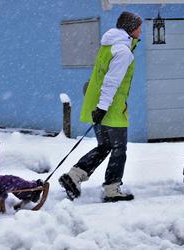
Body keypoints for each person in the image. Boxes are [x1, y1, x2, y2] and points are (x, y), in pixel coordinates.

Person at [59, 11, 142, 202]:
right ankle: (112, 188)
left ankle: (74, 176)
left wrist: (99, 106)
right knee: (119, 149)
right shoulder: (122, 52)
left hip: (99, 104)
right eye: (138, 27)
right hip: (111, 107)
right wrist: (103, 108)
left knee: (104, 146)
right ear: (130, 29)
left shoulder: (108, 46)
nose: (140, 30)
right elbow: (111, 82)